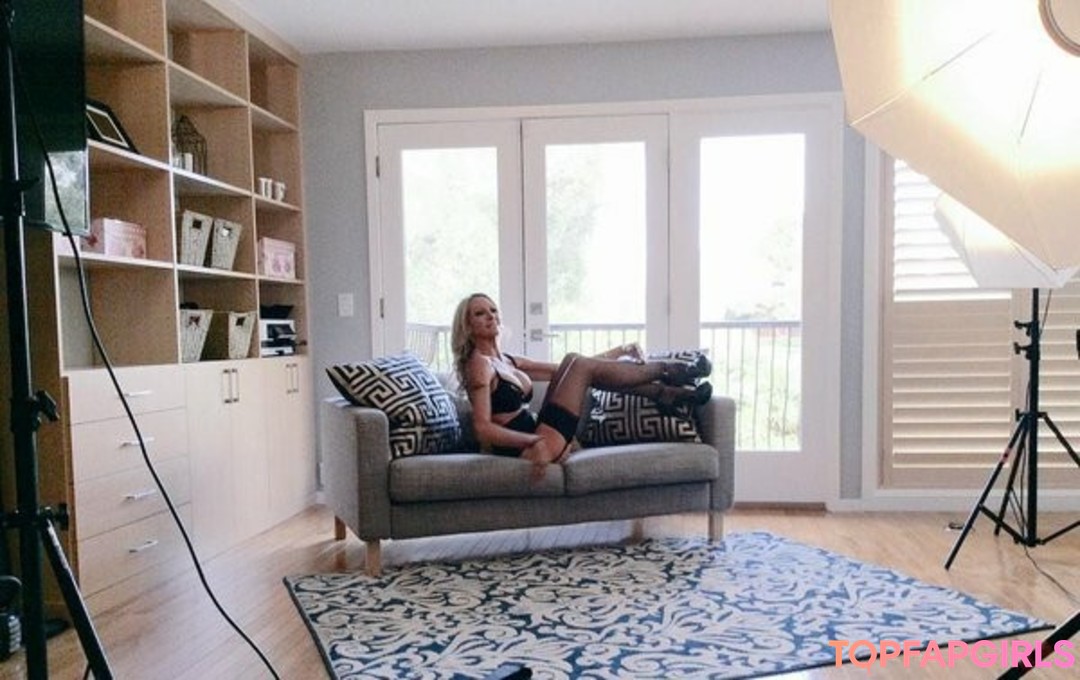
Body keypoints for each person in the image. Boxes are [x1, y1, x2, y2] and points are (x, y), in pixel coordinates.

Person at [451, 292, 712, 472]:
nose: (490, 316)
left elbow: (574, 371)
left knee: (572, 360)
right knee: (576, 363)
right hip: (531, 448)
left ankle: (663, 392)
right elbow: (483, 428)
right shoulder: (479, 365)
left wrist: (618, 351)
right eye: (480, 314)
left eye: (493, 310)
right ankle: (669, 373)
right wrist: (528, 441)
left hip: (541, 432)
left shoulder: (507, 360)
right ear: (468, 326)